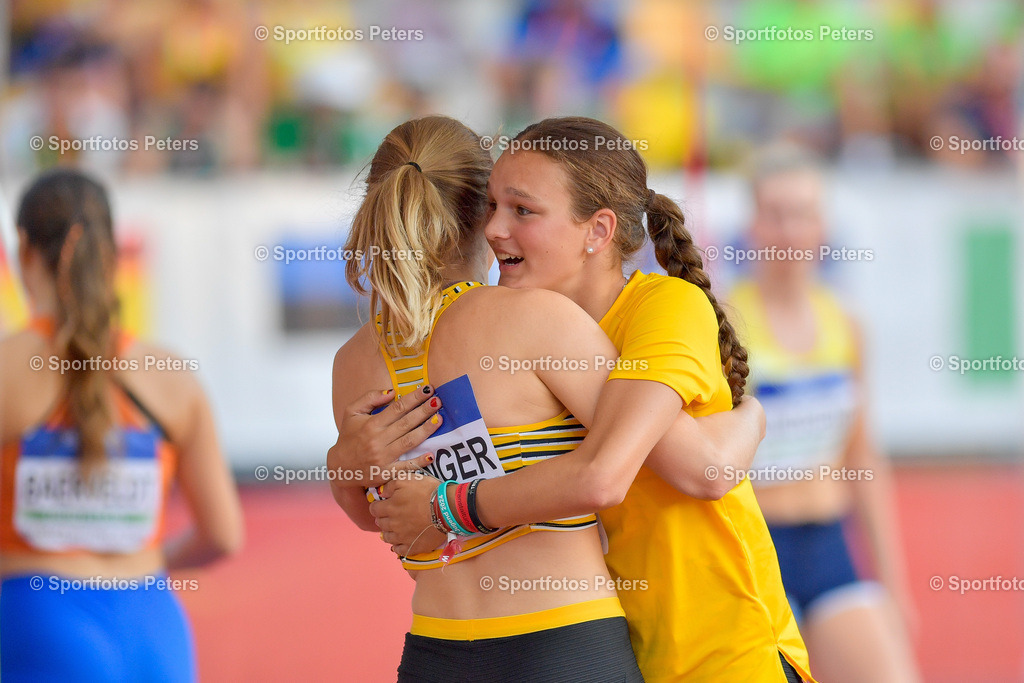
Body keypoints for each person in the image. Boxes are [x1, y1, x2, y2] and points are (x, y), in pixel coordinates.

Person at [363, 117, 815, 682]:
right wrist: (346, 466)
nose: (496, 229)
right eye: (492, 206)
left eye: (523, 210)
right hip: (630, 651)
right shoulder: (534, 335)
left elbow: (681, 471)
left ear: (597, 232)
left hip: (723, 652)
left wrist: (448, 506)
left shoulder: (663, 306)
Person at [0, 169, 243, 682]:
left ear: (24, 250)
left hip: (36, 625)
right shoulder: (171, 378)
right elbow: (223, 534)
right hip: (155, 633)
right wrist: (148, 560)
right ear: (112, 254)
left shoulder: (9, 369)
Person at [728, 143, 919, 682]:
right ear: (755, 226)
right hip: (755, 545)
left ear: (823, 227)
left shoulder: (846, 324)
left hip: (829, 542)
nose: (790, 231)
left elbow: (864, 456)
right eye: (776, 214)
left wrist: (894, 585)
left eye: (803, 214)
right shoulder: (724, 323)